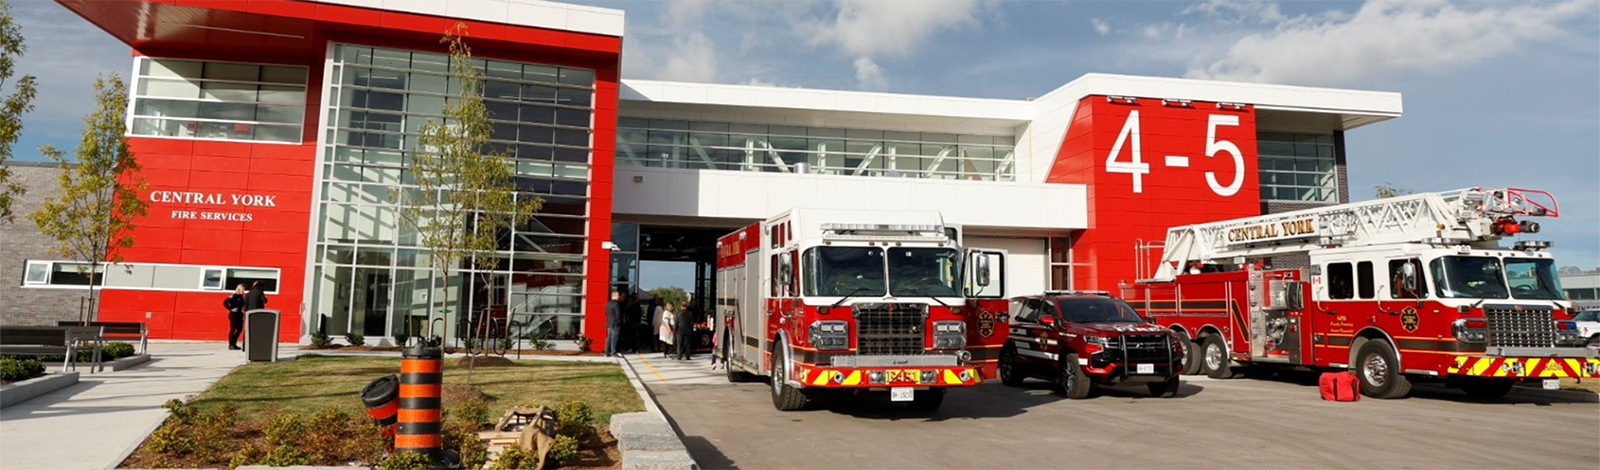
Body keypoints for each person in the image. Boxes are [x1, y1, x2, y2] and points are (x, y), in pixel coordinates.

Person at [223, 284, 246, 350]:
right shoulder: (234, 296)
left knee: (239, 329)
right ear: (239, 289)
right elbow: (225, 302)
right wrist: (230, 308)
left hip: (240, 314)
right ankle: (231, 344)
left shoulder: (242, 297)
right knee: (233, 329)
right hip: (234, 315)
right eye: (243, 289)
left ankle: (234, 343)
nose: (244, 291)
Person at [604, 290, 623, 357]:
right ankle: (613, 352)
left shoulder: (607, 304)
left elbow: (606, 313)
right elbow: (618, 314)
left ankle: (606, 352)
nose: (619, 297)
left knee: (609, 338)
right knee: (614, 338)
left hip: (609, 322)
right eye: (618, 295)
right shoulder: (616, 304)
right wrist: (619, 321)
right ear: (614, 296)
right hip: (615, 323)